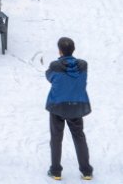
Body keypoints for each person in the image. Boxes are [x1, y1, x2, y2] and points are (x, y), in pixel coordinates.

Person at [45, 37, 93, 181]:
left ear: (59, 50)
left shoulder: (54, 66)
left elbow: (49, 77)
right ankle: (86, 171)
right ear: (74, 49)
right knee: (79, 137)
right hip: (77, 106)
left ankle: (55, 171)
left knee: (56, 138)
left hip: (57, 106)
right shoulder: (83, 65)